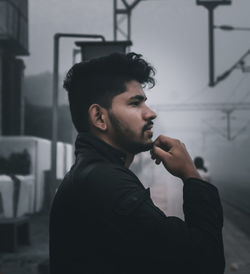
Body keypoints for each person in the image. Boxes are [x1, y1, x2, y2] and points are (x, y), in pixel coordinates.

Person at [49, 52, 225, 274]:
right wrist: (191, 175)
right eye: (135, 103)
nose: (151, 113)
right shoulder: (109, 186)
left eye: (146, 103)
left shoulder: (92, 176)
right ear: (99, 117)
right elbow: (205, 261)